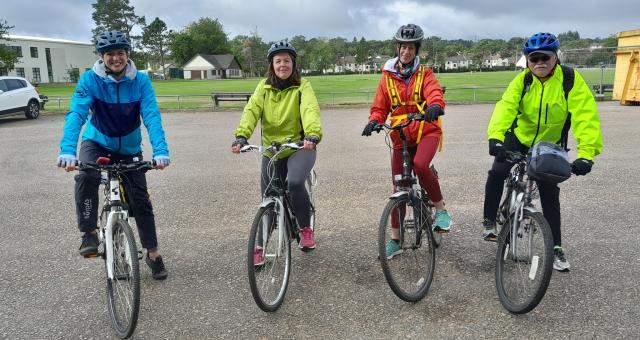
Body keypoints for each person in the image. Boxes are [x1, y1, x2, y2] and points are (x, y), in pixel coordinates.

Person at [482, 32, 603, 271]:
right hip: (519, 137)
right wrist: (496, 139)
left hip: (549, 145)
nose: (539, 63)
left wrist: (586, 154)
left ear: (555, 57)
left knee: (549, 191)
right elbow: (505, 107)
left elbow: (585, 117)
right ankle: (488, 220)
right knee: (498, 171)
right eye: (534, 58)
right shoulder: (523, 81)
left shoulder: (570, 80)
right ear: (527, 60)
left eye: (545, 58)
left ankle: (556, 247)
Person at [56, 30, 170, 280]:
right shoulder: (89, 80)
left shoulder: (140, 81)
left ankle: (153, 253)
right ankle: (89, 233)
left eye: (120, 53)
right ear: (102, 56)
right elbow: (76, 114)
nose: (116, 58)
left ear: (128, 55)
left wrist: (160, 150)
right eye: (110, 54)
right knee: (87, 176)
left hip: (129, 147)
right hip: (97, 142)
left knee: (140, 199)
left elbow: (151, 116)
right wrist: (67, 150)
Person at [362, 24, 452, 259]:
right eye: (403, 47)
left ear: (416, 50)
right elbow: (380, 106)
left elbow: (434, 92)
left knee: (421, 165)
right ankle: (395, 240)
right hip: (401, 134)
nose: (406, 51)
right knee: (399, 185)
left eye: (411, 47)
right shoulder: (387, 77)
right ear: (397, 48)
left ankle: (441, 210)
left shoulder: (425, 73)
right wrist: (374, 120)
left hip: (426, 130)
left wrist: (435, 106)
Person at [231, 41, 323, 264]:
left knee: (294, 182)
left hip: (300, 147)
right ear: (272, 65)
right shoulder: (263, 87)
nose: (283, 65)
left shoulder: (302, 86)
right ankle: (260, 247)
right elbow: (251, 110)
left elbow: (309, 109)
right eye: (278, 61)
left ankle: (305, 229)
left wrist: (311, 134)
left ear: (293, 63)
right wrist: (242, 136)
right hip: (272, 150)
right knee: (269, 197)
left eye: (287, 61)